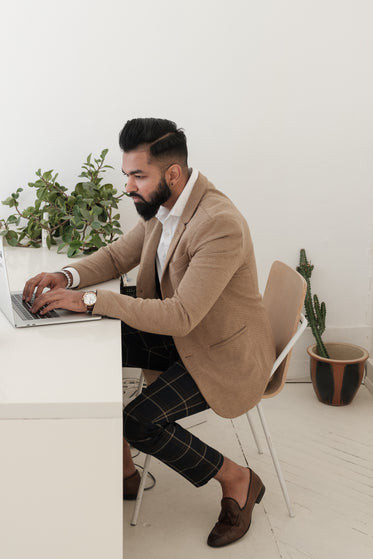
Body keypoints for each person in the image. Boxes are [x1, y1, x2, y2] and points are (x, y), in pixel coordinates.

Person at [23, 118, 275, 548]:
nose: (129, 186)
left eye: (138, 176)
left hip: (222, 356)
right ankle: (124, 471)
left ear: (171, 174)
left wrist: (90, 300)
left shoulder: (218, 223)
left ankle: (238, 478)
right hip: (187, 338)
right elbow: (119, 255)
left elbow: (181, 316)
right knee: (88, 336)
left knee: (139, 421)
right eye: (127, 174)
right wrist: (67, 277)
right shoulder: (165, 207)